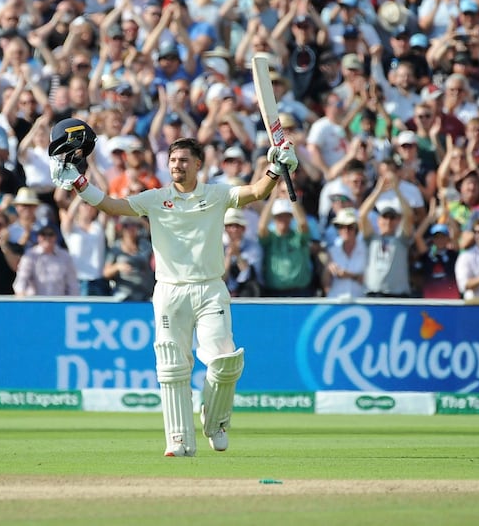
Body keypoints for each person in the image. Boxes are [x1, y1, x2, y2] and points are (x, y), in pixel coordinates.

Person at [50, 120, 298, 458]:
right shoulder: (155, 199)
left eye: (183, 160)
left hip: (210, 288)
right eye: (172, 160)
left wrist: (277, 166)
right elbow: (110, 205)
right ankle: (179, 440)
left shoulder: (216, 194)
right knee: (172, 367)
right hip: (169, 291)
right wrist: (80, 184)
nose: (177, 165)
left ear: (199, 164)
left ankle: (216, 421)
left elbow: (256, 192)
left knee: (224, 360)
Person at [358, 173, 415, 298]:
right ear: (378, 220)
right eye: (385, 217)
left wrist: (396, 190)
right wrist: (379, 190)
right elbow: (362, 215)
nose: (388, 221)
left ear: (397, 221)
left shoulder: (401, 239)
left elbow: (409, 215)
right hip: (374, 294)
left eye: (392, 218)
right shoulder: (372, 238)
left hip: (398, 296)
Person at [12, 223, 79, 296]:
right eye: (43, 234)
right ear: (38, 237)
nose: (47, 237)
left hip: (58, 303)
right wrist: (21, 294)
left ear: (56, 237)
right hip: (35, 303)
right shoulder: (30, 255)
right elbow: (22, 278)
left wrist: (72, 302)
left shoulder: (65, 256)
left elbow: (72, 284)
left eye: (50, 234)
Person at [103, 216, 156, 302]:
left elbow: (154, 232)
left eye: (134, 225)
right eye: (127, 225)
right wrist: (117, 267)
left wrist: (138, 218)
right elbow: (105, 272)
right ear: (122, 228)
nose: (131, 228)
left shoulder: (145, 245)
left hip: (145, 294)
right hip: (124, 296)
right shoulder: (116, 248)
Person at [322, 207, 366, 299]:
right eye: (341, 227)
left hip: (360, 302)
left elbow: (372, 281)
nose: (345, 230)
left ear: (356, 229)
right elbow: (325, 285)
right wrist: (328, 270)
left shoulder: (366, 250)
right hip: (336, 302)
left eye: (350, 227)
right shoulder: (332, 251)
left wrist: (349, 275)